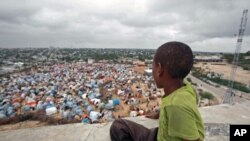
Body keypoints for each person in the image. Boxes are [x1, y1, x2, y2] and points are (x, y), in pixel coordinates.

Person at [110, 41, 204, 141]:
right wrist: (159, 114)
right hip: (163, 134)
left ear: (159, 69)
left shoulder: (176, 105)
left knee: (117, 128)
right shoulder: (184, 87)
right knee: (118, 126)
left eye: (153, 67)